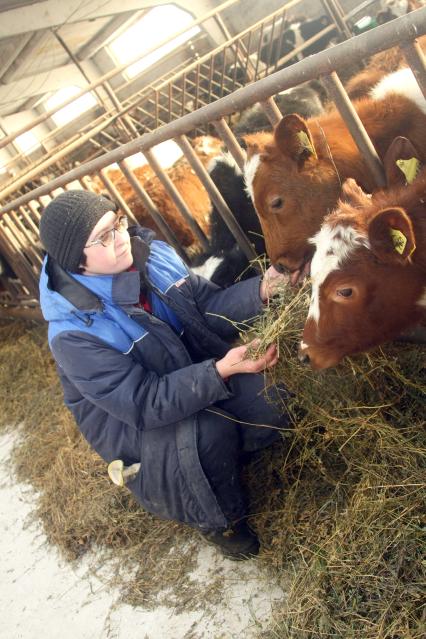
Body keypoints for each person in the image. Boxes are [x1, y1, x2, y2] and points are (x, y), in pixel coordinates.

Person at [38, 190, 291, 560]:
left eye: (118, 223)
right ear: (77, 260)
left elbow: (206, 309)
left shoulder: (152, 257)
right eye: (103, 237)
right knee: (207, 432)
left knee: (276, 394)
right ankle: (221, 523)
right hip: (142, 437)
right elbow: (143, 402)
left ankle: (235, 456)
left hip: (192, 379)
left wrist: (262, 291)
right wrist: (221, 370)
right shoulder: (75, 333)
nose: (121, 238)